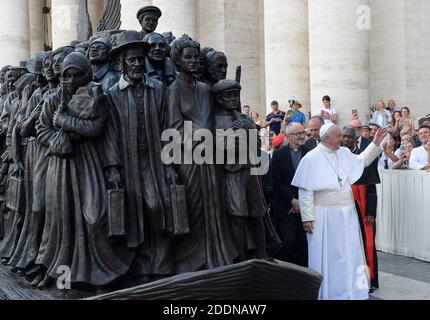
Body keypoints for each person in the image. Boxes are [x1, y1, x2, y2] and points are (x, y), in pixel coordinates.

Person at [106, 30, 175, 281]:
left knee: (158, 207)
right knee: (134, 214)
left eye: (139, 59)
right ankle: (140, 267)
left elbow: (168, 128)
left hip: (155, 161)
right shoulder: (113, 93)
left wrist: (169, 164)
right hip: (128, 162)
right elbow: (111, 133)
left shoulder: (157, 89)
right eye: (131, 59)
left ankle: (161, 265)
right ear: (121, 62)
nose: (136, 63)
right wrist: (113, 168)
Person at [166, 34, 238, 273]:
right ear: (178, 61)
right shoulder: (173, 90)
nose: (194, 61)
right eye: (188, 58)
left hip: (212, 156)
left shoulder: (206, 89)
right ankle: (192, 259)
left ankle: (218, 255)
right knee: (195, 206)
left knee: (216, 205)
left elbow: (217, 119)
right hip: (190, 158)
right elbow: (174, 127)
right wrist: (198, 141)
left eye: (196, 57)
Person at [291, 123, 386, 300]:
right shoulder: (311, 158)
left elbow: (362, 161)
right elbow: (305, 190)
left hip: (348, 213)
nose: (341, 139)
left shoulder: (343, 152)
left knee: (351, 251)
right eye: (338, 136)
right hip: (325, 216)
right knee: (330, 257)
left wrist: (375, 144)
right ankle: (331, 294)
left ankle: (354, 292)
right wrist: (307, 217)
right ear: (326, 138)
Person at [342, 127, 380, 292]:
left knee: (366, 245)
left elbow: (371, 187)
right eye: (343, 136)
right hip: (345, 208)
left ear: (355, 137)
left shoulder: (363, 156)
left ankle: (368, 280)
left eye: (349, 136)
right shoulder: (339, 155)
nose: (346, 139)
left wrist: (371, 212)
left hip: (363, 208)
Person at [271, 123, 310, 267]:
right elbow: (276, 181)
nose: (301, 136)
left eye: (302, 132)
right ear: (287, 136)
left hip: (306, 206)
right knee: (289, 241)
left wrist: (301, 201)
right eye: (297, 133)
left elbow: (312, 179)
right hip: (286, 207)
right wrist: (292, 200)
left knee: (304, 245)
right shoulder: (278, 154)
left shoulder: (309, 152)